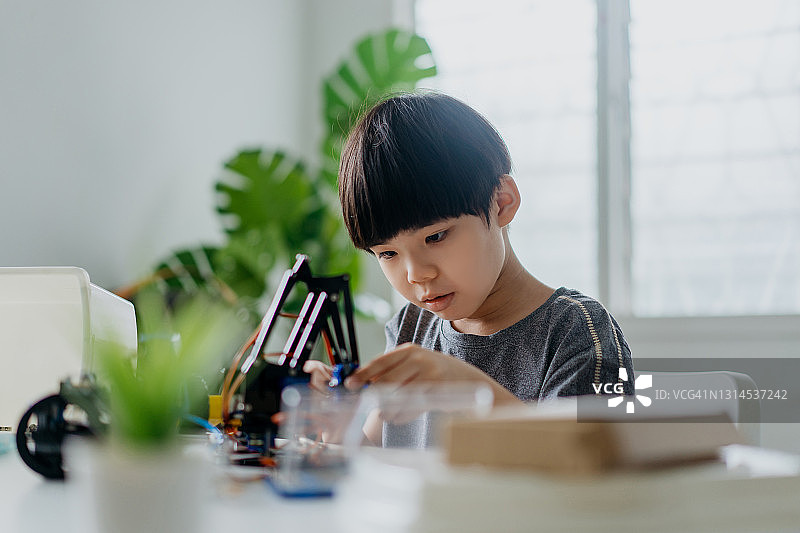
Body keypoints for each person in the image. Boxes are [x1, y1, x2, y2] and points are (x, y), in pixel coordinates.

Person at [305, 91, 634, 447]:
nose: (416, 274)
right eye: (387, 254)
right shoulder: (410, 329)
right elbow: (374, 451)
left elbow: (592, 466)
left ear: (501, 202)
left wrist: (466, 388)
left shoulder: (577, 331)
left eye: (436, 236)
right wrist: (334, 425)